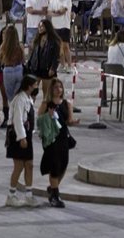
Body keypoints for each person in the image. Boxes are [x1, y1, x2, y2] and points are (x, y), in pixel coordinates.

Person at [38, 79, 79, 208]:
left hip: (63, 137)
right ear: (51, 89)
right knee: (54, 166)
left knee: (64, 164)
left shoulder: (67, 104)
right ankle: (55, 196)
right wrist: (48, 116)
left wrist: (74, 122)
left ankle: (52, 188)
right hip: (51, 138)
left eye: (60, 87)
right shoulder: (46, 104)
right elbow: (39, 120)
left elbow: (68, 121)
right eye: (56, 87)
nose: (58, 90)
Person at [5, 75, 40, 208]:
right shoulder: (20, 99)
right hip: (18, 137)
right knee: (19, 166)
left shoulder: (29, 99)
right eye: (35, 85)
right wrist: (22, 138)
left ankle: (29, 195)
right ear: (29, 86)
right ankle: (11, 195)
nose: (37, 87)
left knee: (29, 165)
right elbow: (17, 120)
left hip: (27, 136)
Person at [27, 19, 61, 100]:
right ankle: (30, 110)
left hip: (47, 70)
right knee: (32, 92)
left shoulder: (54, 41)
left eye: (42, 26)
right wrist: (29, 65)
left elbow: (56, 57)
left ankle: (46, 110)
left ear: (47, 27)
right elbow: (32, 55)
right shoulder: (37, 39)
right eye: (39, 26)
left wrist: (53, 68)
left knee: (47, 93)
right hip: (36, 68)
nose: (40, 28)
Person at [0, 25, 25, 127]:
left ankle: (12, 117)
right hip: (18, 69)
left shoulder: (3, 46)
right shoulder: (19, 46)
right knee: (18, 95)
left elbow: (0, 59)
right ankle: (20, 117)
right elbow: (23, 59)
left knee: (11, 97)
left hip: (8, 70)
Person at [48, 0, 73, 73]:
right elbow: (49, 12)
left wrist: (55, 12)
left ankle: (69, 65)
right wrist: (56, 12)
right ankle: (62, 65)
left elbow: (63, 11)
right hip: (55, 26)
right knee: (58, 47)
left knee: (66, 46)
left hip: (64, 25)